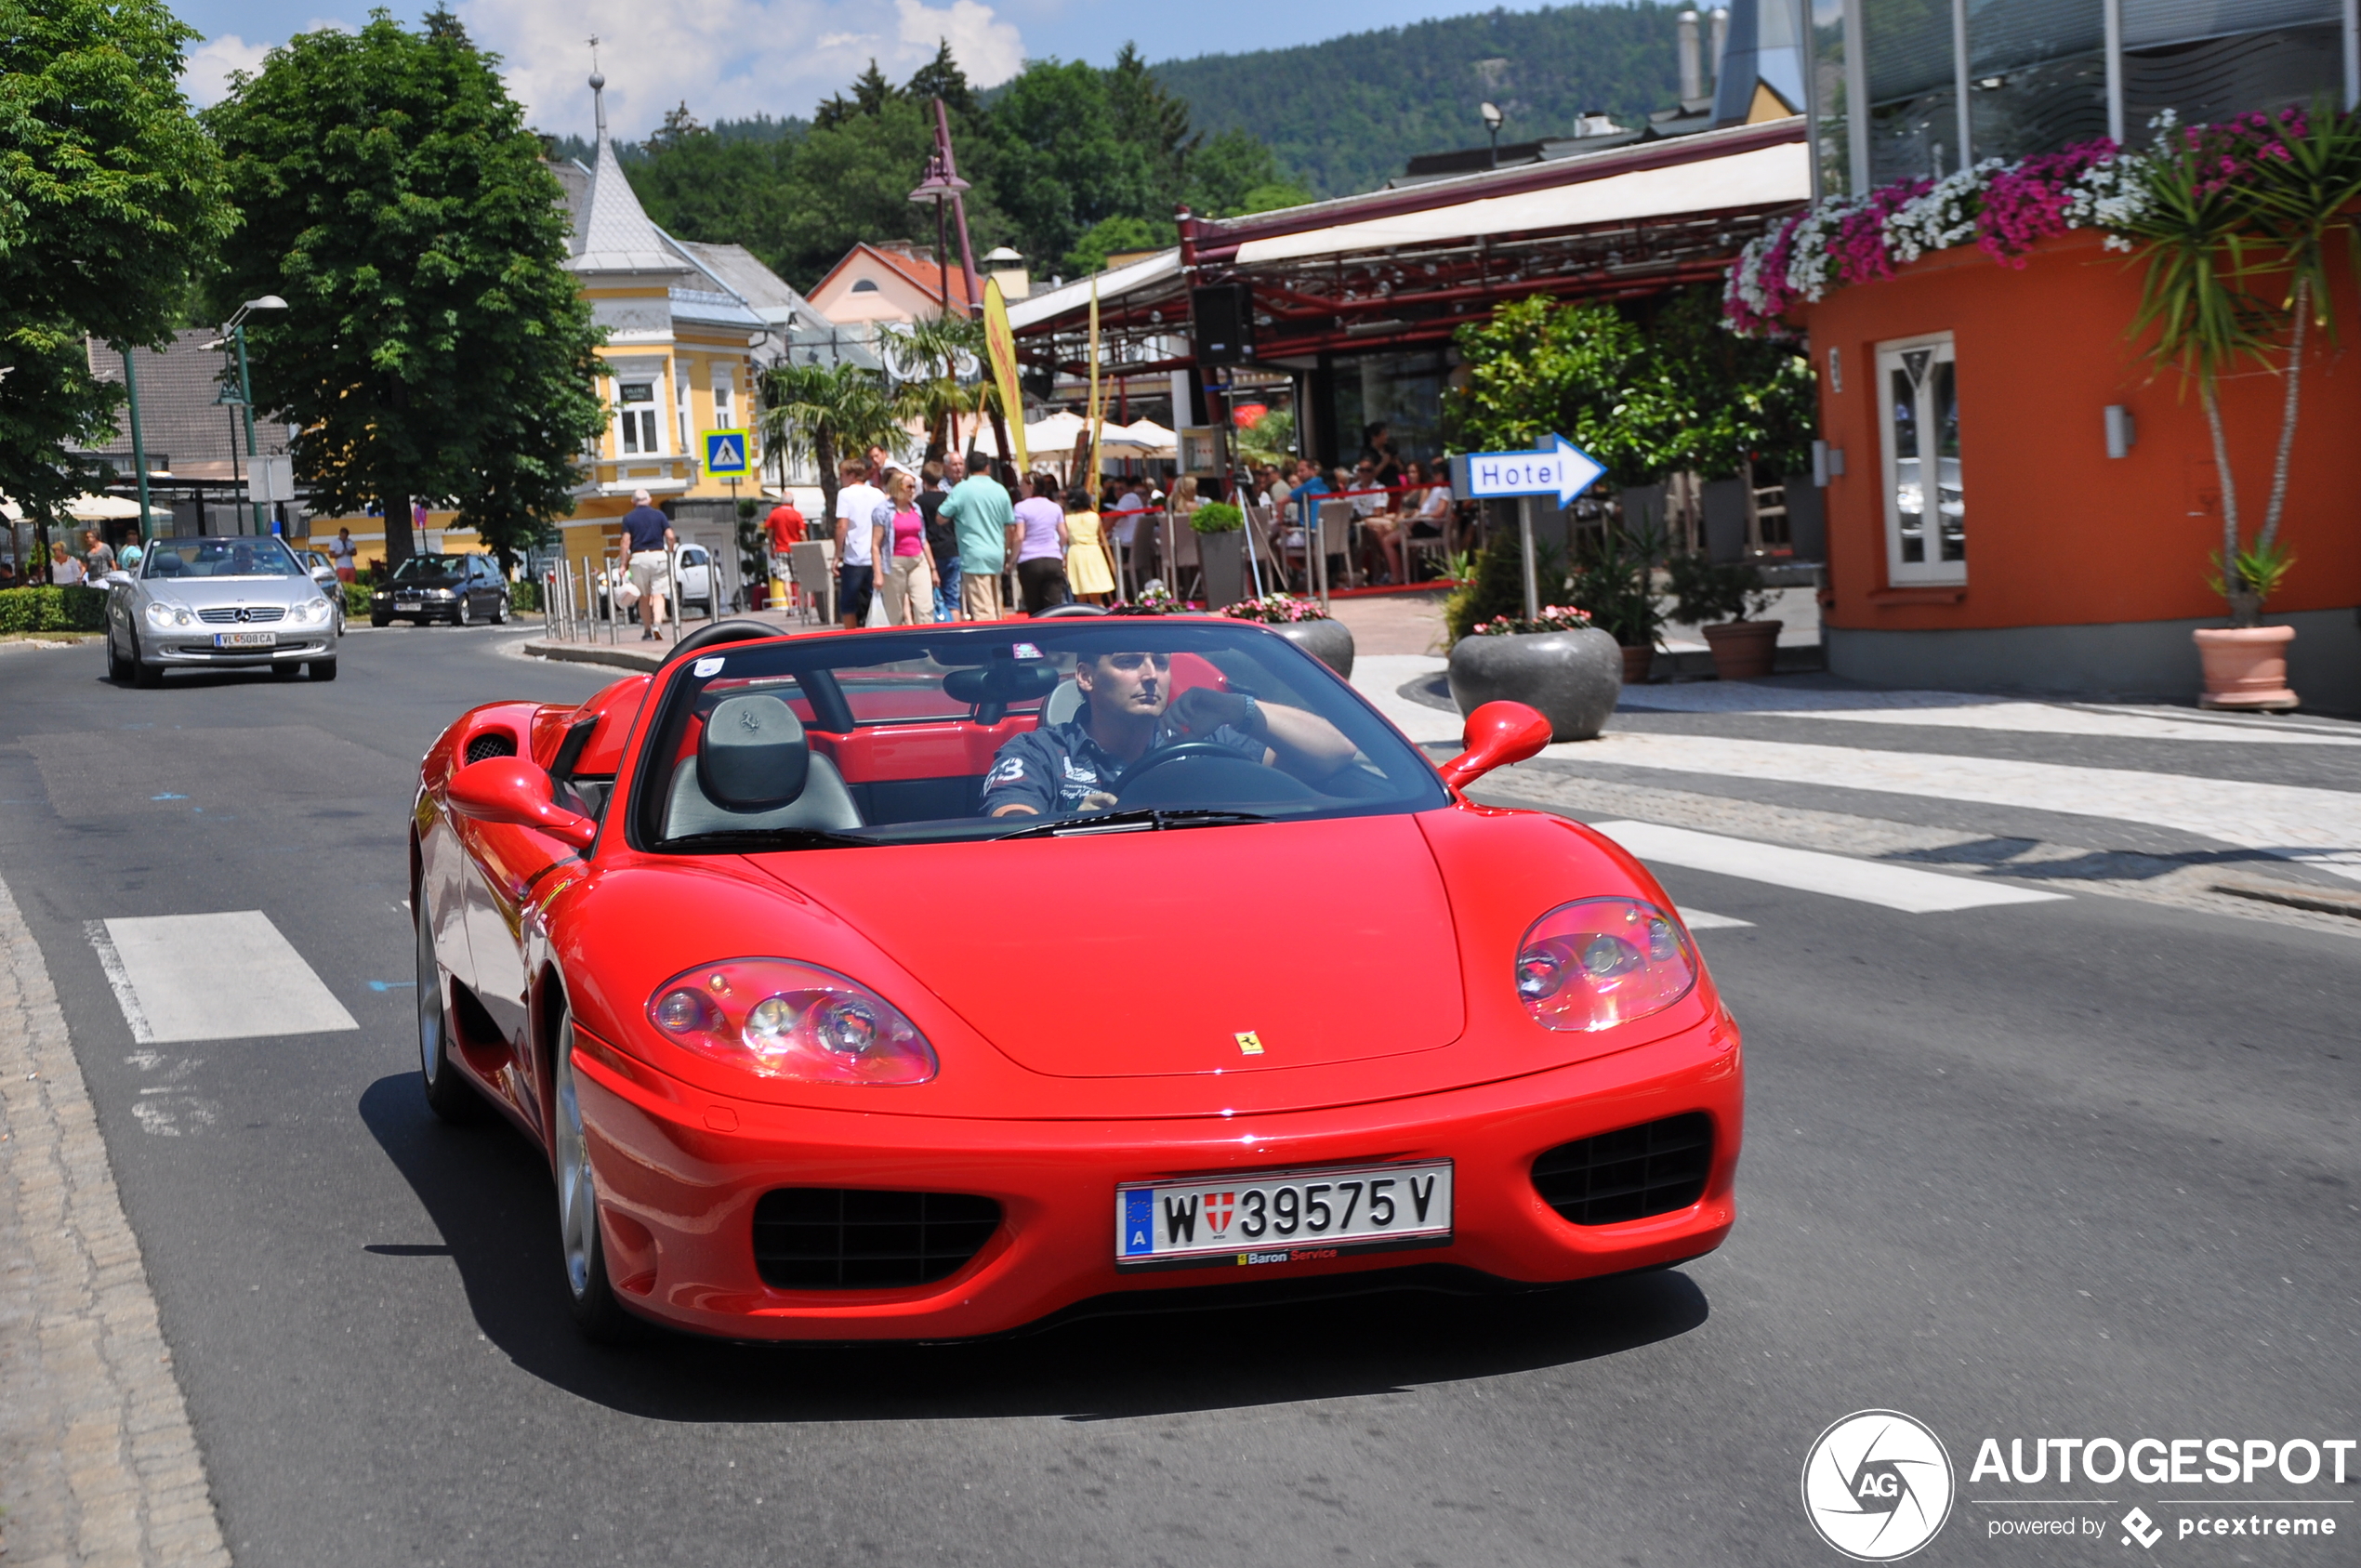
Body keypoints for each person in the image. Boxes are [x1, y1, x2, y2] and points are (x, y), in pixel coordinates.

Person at [981, 645, 1356, 817]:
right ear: (1086, 677)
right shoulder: (1037, 751)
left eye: (1160, 663)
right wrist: (1069, 820)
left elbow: (1337, 753)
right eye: (1129, 661)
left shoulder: (1208, 740)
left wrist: (1240, 709)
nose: (1150, 676)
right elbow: (1009, 825)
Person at [939, 450, 1013, 621]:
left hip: (973, 553)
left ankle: (989, 643)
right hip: (996, 552)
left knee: (982, 609)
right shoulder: (1000, 490)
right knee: (995, 605)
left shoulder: (962, 489)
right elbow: (1010, 526)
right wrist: (1006, 550)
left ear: (967, 468)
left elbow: (941, 516)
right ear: (988, 467)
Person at [872, 468, 933, 626]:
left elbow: (923, 539)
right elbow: (875, 545)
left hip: (918, 560)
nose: (913, 490)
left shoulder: (916, 509)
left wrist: (933, 568)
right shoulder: (883, 510)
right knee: (895, 610)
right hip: (894, 562)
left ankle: (927, 642)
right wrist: (878, 574)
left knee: (924, 607)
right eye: (909, 487)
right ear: (897, 487)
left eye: (914, 486)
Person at [832, 456, 883, 628]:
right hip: (876, 557)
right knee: (874, 601)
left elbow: (842, 526)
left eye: (843, 475)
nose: (841, 479)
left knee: (848, 604)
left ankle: (851, 637)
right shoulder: (878, 493)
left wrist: (837, 555)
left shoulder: (845, 494)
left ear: (852, 475)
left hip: (855, 556)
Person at [620, 488, 676, 640]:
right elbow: (670, 537)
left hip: (638, 558)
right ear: (649, 500)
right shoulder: (659, 515)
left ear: (633, 502)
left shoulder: (629, 518)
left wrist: (623, 565)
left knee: (643, 597)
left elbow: (626, 542)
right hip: (658, 556)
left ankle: (647, 631)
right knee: (659, 594)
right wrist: (670, 553)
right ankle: (657, 623)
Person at [1011, 473, 1071, 614]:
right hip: (1053, 558)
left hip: (1030, 561)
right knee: (1054, 608)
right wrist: (1059, 549)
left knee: (1034, 609)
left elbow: (1019, 536)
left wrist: (1011, 560)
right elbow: (1064, 534)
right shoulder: (1055, 507)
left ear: (1031, 487)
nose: (1019, 488)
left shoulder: (1020, 507)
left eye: (1022, 485)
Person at [1062, 487, 1115, 605]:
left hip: (1076, 553)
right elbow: (1101, 534)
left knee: (1080, 597)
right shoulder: (1094, 516)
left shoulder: (1067, 518)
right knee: (1096, 598)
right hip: (1094, 553)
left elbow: (1064, 539)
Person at [918, 460, 956, 621]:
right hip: (952, 549)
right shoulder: (948, 498)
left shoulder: (919, 502)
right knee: (953, 598)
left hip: (931, 553)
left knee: (930, 597)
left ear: (923, 479)